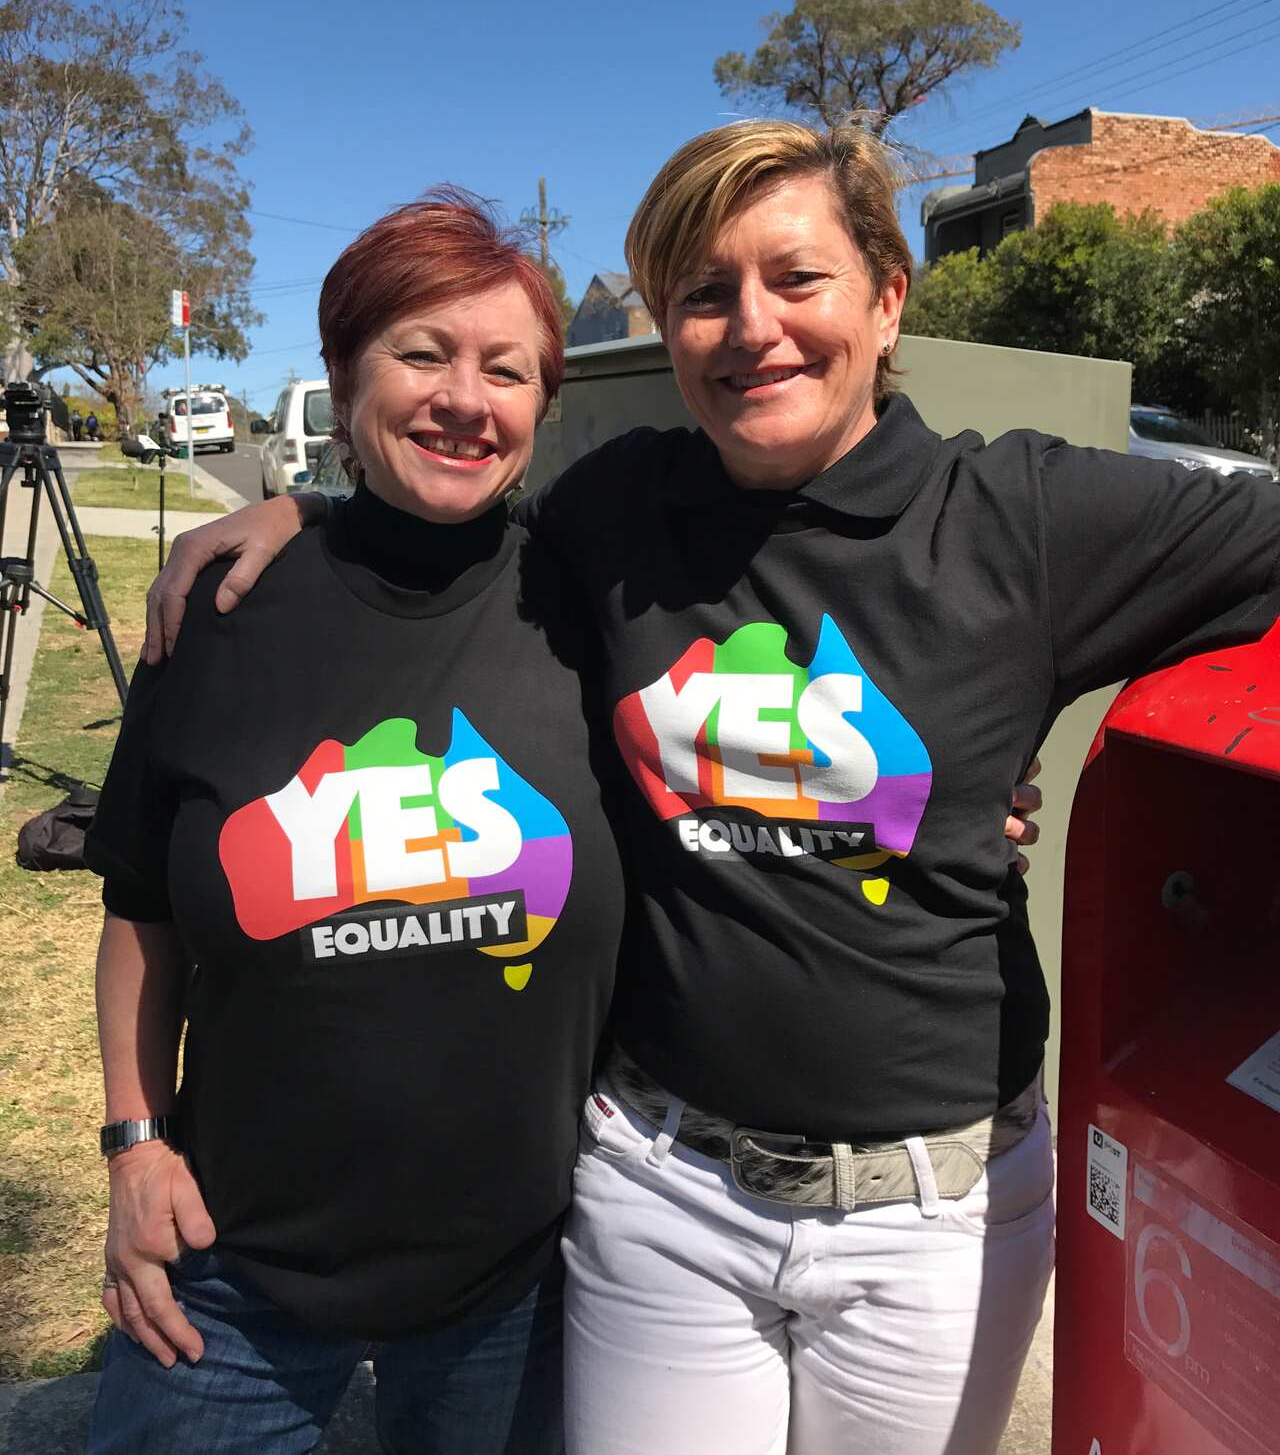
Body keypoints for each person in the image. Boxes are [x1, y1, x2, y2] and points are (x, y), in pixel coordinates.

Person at [144, 119, 1248, 1455]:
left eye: (798, 278)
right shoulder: (617, 508)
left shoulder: (1026, 520)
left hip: (930, 1219)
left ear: (890, 297)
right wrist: (310, 512)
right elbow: (446, 524)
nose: (753, 327)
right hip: (663, 1188)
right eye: (704, 294)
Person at [86, 193, 626, 1454]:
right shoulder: (219, 612)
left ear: (541, 404)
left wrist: (954, 794)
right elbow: (142, 912)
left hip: (520, 1282)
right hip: (232, 1276)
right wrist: (132, 1142)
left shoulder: (593, 608)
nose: (465, 399)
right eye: (421, 353)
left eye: (507, 369)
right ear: (341, 373)